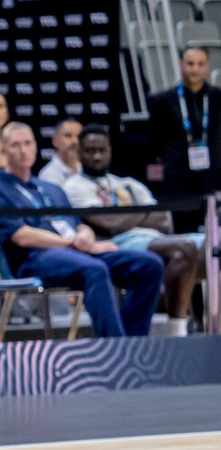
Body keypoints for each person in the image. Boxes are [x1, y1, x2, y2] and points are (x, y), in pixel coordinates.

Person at [0, 123, 163, 337]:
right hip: (35, 258)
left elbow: (78, 224)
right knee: (94, 269)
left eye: (28, 143)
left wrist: (86, 236)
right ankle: (115, 347)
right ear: (3, 152)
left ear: (35, 147)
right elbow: (22, 236)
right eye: (15, 145)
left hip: (78, 251)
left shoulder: (52, 189)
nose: (23, 150)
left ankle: (134, 342)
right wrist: (71, 243)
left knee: (149, 265)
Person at [67, 124, 205, 328]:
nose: (96, 156)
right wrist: (143, 211)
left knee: (212, 245)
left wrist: (127, 216)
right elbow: (108, 223)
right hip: (117, 244)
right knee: (184, 248)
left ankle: (208, 322)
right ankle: (176, 328)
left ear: (110, 151)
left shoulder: (128, 183)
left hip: (155, 237)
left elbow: (164, 221)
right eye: (90, 151)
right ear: (78, 153)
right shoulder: (73, 186)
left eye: (102, 150)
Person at [149, 45, 221, 207]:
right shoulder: (161, 101)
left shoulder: (217, 97)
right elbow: (154, 144)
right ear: (181, 64)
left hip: (214, 176)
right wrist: (155, 181)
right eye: (190, 63)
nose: (195, 69)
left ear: (208, 66)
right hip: (177, 177)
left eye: (200, 64)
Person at [38, 117, 83, 187]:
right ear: (55, 140)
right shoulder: (48, 175)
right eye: (68, 136)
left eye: (79, 136)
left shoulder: (87, 169)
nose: (75, 141)